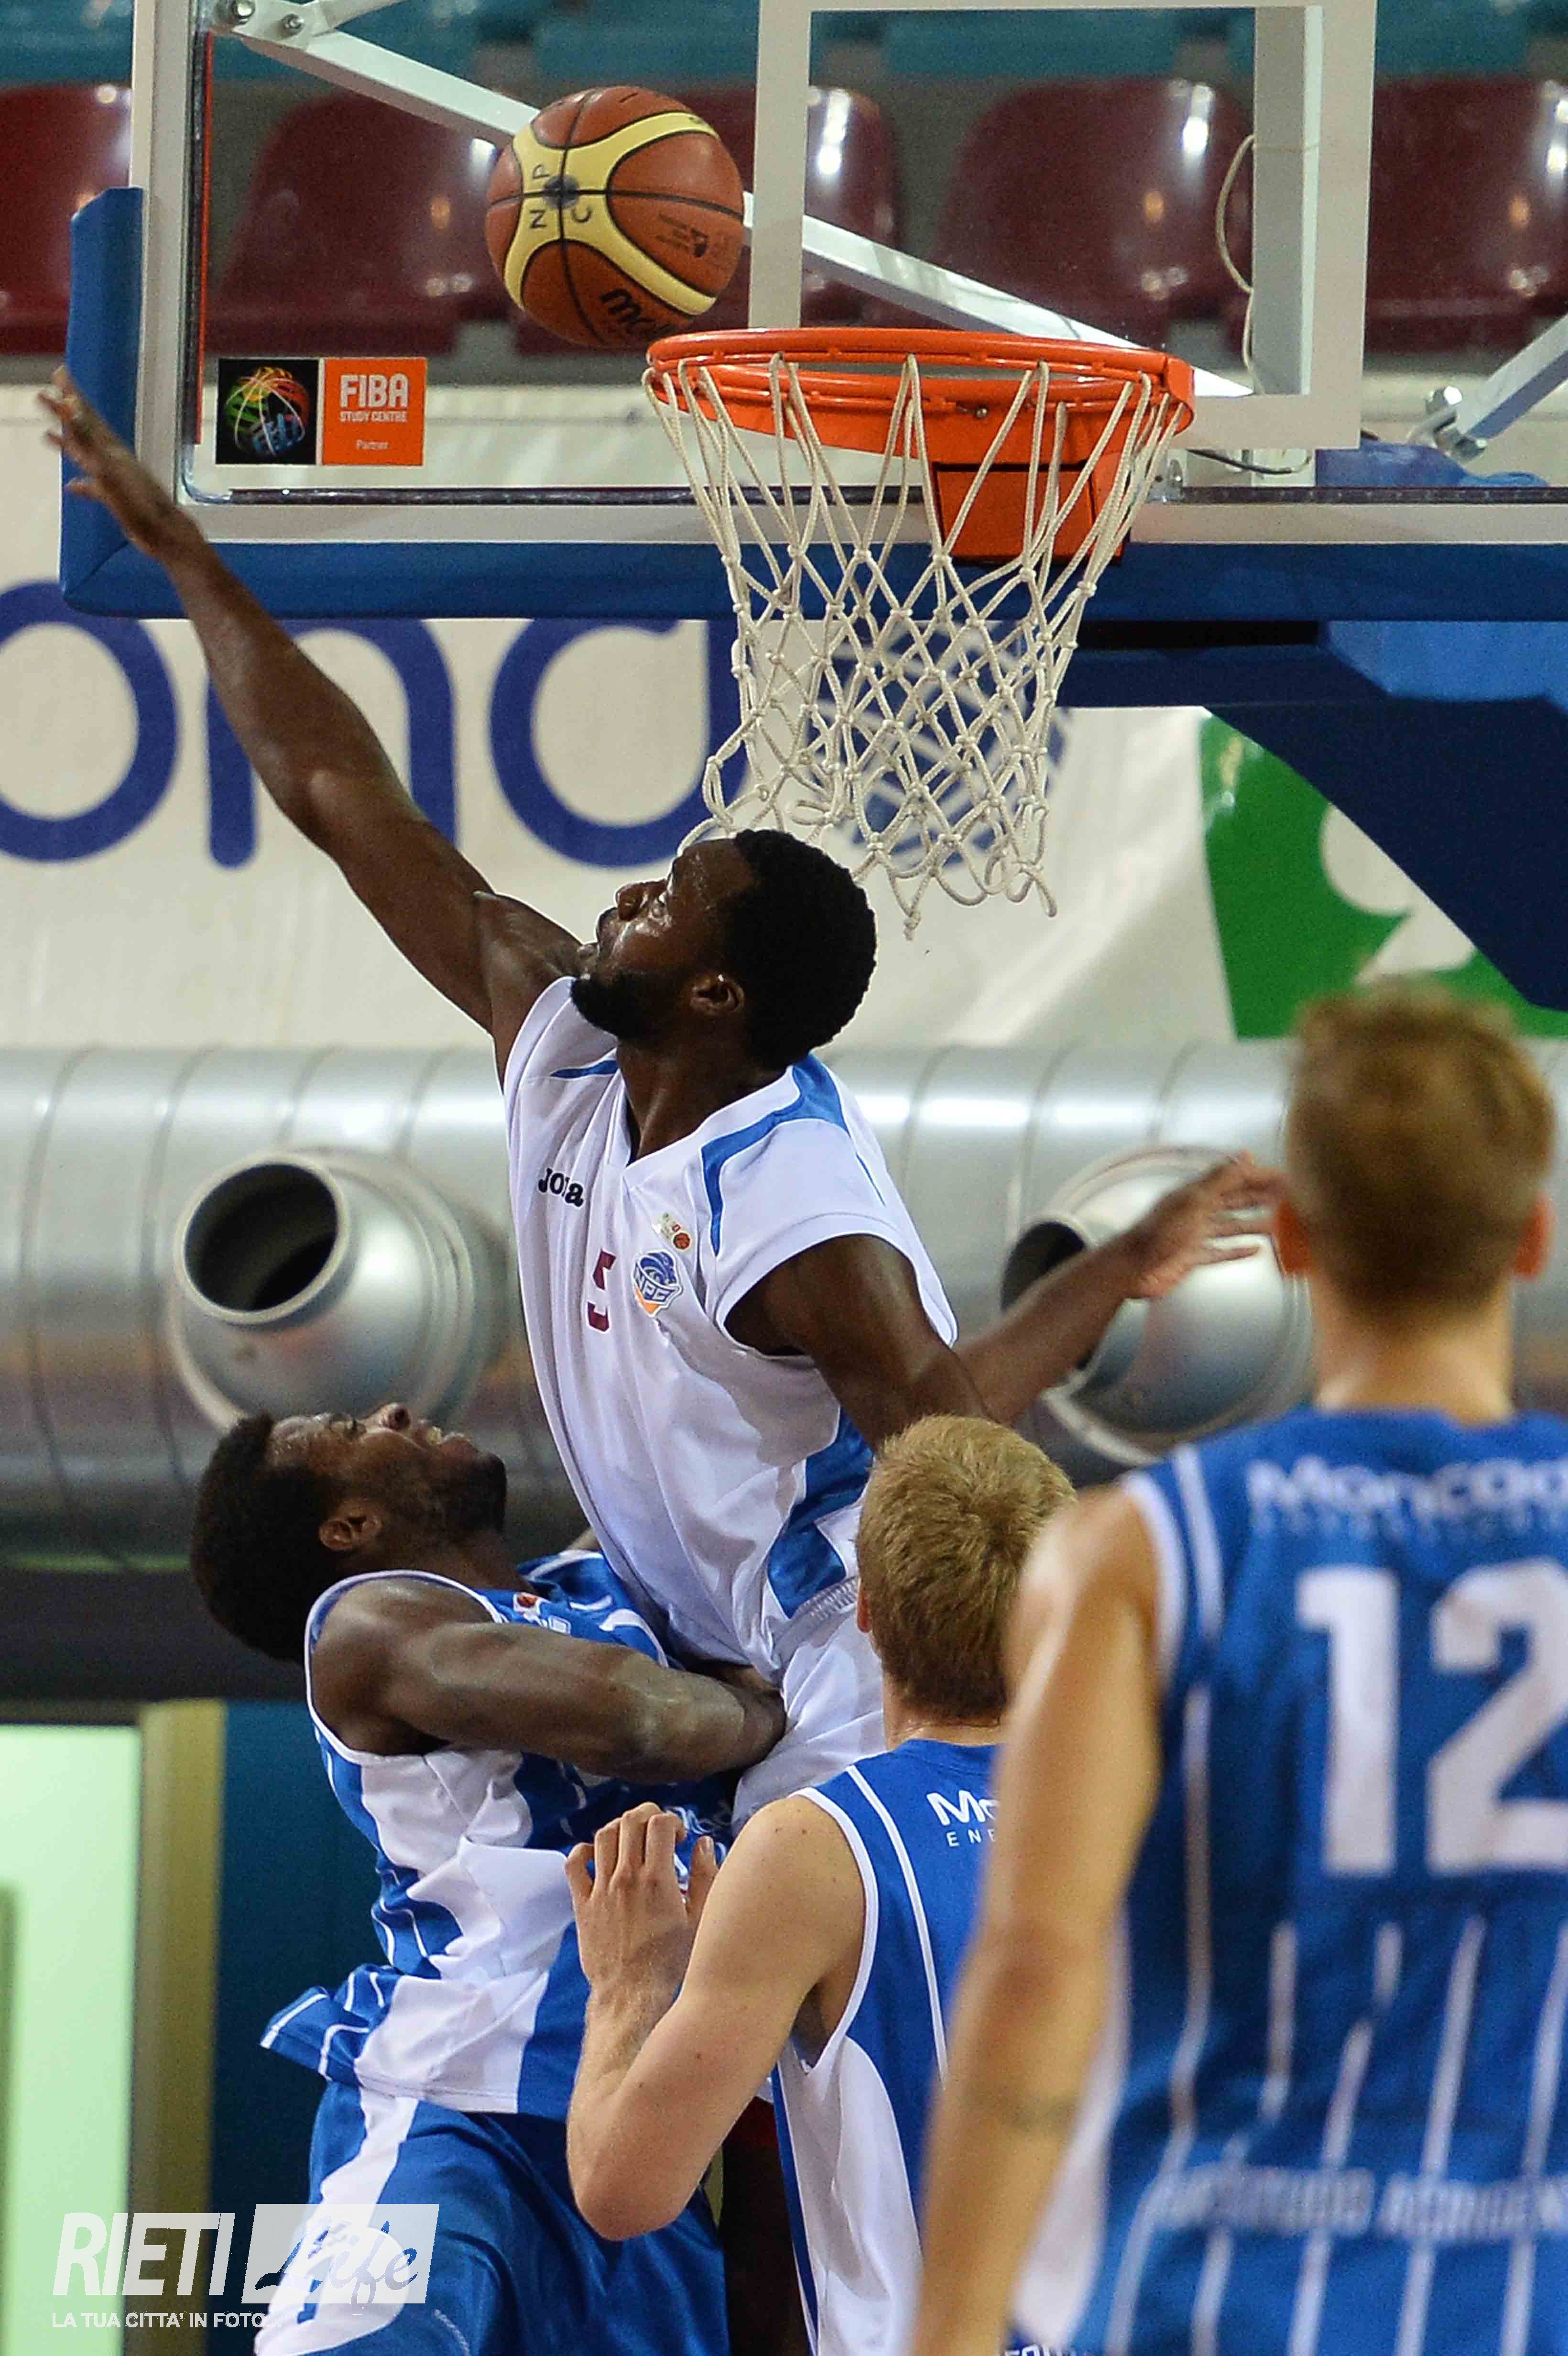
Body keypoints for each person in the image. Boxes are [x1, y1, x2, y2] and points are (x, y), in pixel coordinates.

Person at [44, 374, 1272, 1815]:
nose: (632, 895)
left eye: (671, 901)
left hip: (838, 1652)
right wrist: (188, 557)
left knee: (777, 1944)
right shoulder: (564, 1040)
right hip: (699, 1640)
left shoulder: (790, 1206)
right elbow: (335, 789)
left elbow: (962, 1459)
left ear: (715, 996)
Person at [911, 984, 1568, 2356]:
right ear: (1531, 1236)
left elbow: (1034, 1966)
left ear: (1291, 1239)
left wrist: (946, 2336)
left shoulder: (1137, 1554)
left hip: (1220, 2300)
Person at [188, 1396, 785, 2356]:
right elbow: (642, 1723)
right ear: (349, 1526)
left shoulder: (593, 1584)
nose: (392, 1408)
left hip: (638, 2124)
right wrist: (782, 1715)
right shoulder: (364, 1626)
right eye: (351, 1429)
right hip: (463, 2105)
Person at [561, 1414, 1075, 2356]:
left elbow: (621, 2188)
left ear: (865, 1612)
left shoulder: (811, 1851)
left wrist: (627, 1986)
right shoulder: (1172, 1822)